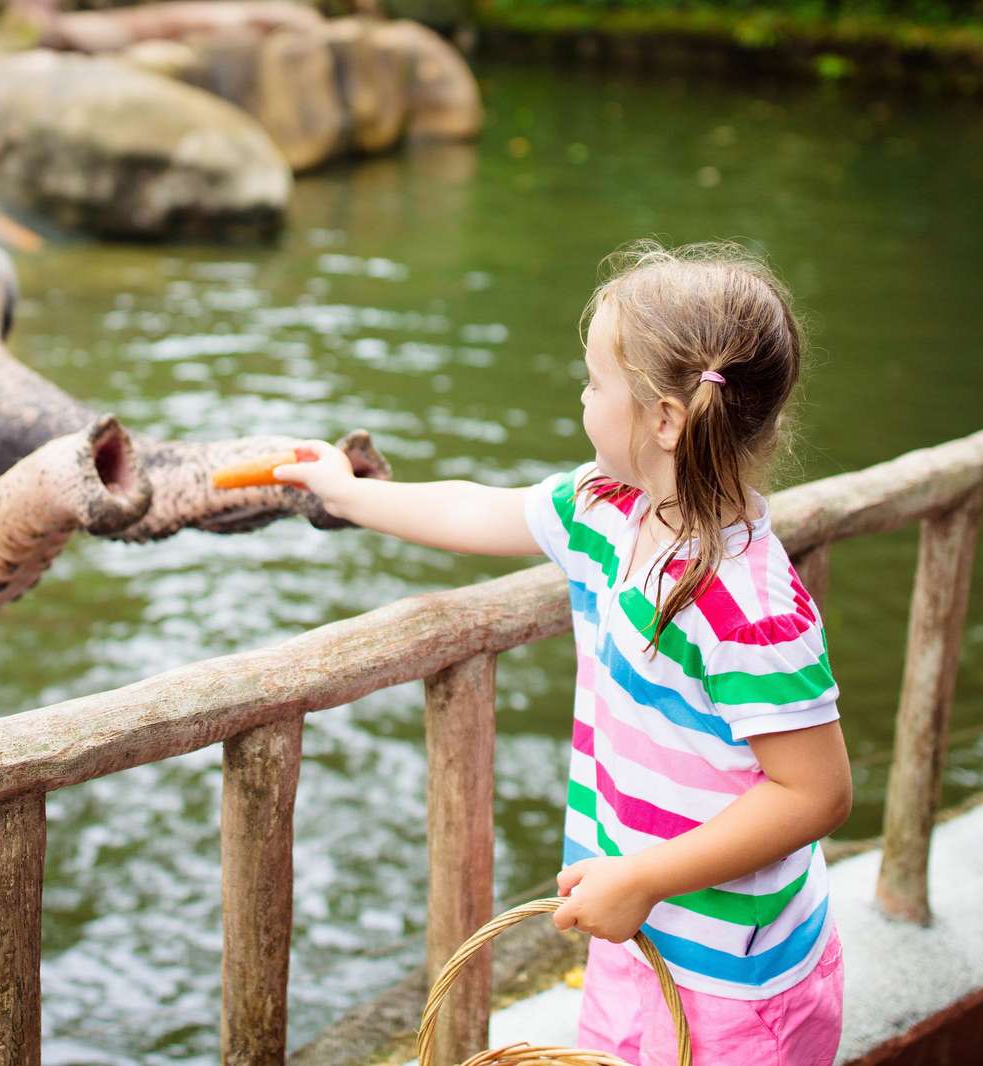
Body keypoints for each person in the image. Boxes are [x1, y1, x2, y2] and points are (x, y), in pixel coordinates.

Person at [274, 240, 852, 1065]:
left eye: (594, 382)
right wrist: (350, 493)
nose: (582, 396)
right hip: (635, 932)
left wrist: (646, 877)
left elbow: (817, 793)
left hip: (734, 985)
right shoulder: (605, 510)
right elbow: (478, 512)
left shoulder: (751, 606)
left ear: (662, 417)